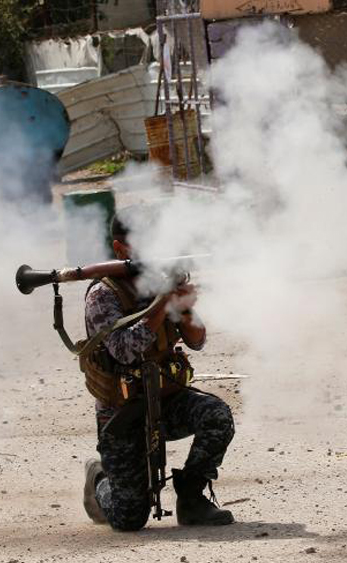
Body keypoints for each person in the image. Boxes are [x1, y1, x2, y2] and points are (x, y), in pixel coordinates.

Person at [81, 211, 235, 531]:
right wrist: (162, 305)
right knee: (129, 518)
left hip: (166, 399)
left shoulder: (162, 281)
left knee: (216, 415)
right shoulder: (103, 295)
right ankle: (99, 480)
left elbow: (197, 341)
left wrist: (185, 305)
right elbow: (123, 350)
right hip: (123, 413)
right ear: (120, 249)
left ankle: (191, 498)